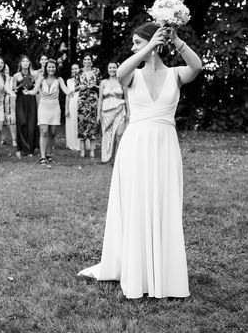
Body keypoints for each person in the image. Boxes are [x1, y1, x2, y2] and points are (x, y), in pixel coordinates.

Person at [78, 23, 203, 299]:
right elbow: (121, 73)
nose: (133, 48)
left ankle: (164, 274)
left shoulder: (175, 74)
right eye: (135, 45)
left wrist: (177, 40)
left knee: (163, 203)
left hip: (165, 148)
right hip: (135, 147)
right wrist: (148, 48)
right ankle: (136, 272)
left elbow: (197, 66)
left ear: (155, 44)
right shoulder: (131, 75)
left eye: (137, 43)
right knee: (137, 204)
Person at [29, 59, 71, 164]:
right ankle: (42, 157)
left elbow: (66, 90)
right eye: (49, 67)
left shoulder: (59, 79)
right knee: (44, 131)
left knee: (52, 133)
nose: (51, 69)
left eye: (53, 67)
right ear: (46, 68)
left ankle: (49, 153)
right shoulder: (41, 78)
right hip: (43, 107)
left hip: (54, 108)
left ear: (56, 68)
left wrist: (72, 91)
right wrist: (28, 92)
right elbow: (35, 91)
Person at [97, 61, 129, 163]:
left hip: (120, 109)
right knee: (107, 135)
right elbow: (100, 99)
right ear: (107, 69)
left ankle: (118, 158)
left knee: (119, 134)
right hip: (106, 112)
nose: (112, 69)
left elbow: (127, 98)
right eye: (110, 67)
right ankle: (107, 157)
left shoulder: (122, 81)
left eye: (114, 67)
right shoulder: (103, 82)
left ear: (117, 68)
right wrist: (98, 114)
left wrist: (129, 112)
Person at [13, 55, 39, 158]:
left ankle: (30, 149)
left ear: (29, 64)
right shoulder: (16, 76)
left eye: (27, 61)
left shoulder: (34, 75)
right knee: (21, 122)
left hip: (31, 100)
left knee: (31, 124)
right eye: (23, 61)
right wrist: (16, 88)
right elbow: (13, 89)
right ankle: (21, 148)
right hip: (20, 101)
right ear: (20, 63)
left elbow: (37, 88)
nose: (25, 63)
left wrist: (31, 91)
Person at [77, 54, 102, 158]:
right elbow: (75, 86)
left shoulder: (96, 71)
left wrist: (94, 86)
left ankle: (92, 150)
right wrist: (80, 86)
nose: (87, 61)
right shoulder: (79, 72)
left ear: (91, 62)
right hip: (82, 101)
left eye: (89, 59)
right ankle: (82, 150)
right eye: (85, 59)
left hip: (93, 101)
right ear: (83, 61)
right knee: (82, 124)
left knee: (92, 125)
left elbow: (101, 86)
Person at [64, 63, 81, 151]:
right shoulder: (68, 81)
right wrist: (66, 108)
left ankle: (80, 144)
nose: (75, 70)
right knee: (72, 122)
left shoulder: (82, 80)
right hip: (71, 103)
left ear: (79, 69)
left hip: (80, 102)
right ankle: (71, 143)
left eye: (76, 68)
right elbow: (67, 95)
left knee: (79, 123)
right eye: (73, 69)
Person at [3, 64, 18, 147]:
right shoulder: (0, 79)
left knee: (12, 120)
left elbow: (15, 88)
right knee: (3, 120)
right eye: (4, 69)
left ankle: (14, 140)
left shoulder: (12, 79)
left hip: (11, 100)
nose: (6, 71)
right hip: (2, 100)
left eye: (7, 69)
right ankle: (3, 139)